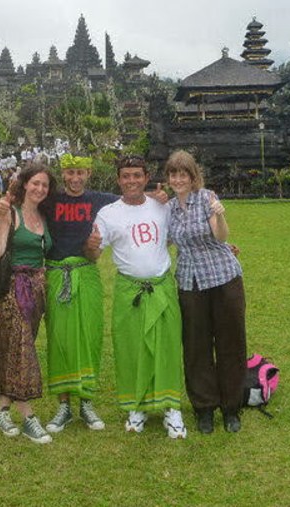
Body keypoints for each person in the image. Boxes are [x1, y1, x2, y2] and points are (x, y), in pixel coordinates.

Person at [86, 155, 188, 439]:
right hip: (129, 291)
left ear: (146, 178)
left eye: (137, 175)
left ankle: (171, 407)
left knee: (167, 346)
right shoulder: (108, 214)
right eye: (126, 176)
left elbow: (174, 237)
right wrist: (91, 246)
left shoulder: (161, 206)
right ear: (118, 180)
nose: (131, 181)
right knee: (131, 348)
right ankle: (137, 405)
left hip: (161, 286)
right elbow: (93, 254)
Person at [165, 150, 246, 434]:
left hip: (223, 277)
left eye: (183, 174)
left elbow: (221, 236)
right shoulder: (170, 209)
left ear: (192, 176)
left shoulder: (206, 198)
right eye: (173, 174)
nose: (178, 179)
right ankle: (204, 408)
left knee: (230, 342)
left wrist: (220, 217)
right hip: (190, 281)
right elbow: (163, 243)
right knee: (196, 346)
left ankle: (231, 407)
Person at [42, 154, 118, 433]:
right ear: (64, 174)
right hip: (56, 274)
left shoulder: (100, 200)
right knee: (60, 338)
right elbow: (23, 200)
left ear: (88, 173)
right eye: (70, 173)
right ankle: (63, 404)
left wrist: (158, 197)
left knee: (90, 335)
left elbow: (133, 201)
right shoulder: (51, 201)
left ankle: (86, 401)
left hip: (86, 273)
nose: (75, 178)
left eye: (81, 173)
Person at [0, 162, 56, 444]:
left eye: (45, 185)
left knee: (17, 350)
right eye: (35, 183)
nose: (40, 189)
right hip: (12, 289)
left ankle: (2, 410)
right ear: (24, 184)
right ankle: (28, 417)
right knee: (23, 349)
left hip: (37, 290)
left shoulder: (43, 216)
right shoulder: (10, 214)